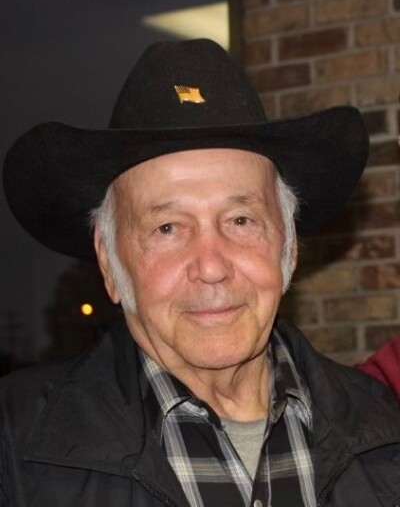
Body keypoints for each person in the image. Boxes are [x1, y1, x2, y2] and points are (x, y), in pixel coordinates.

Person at [2, 39, 400, 507]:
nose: (211, 266)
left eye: (241, 221)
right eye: (167, 228)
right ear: (109, 262)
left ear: (289, 248)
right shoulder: (14, 450)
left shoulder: (388, 428)